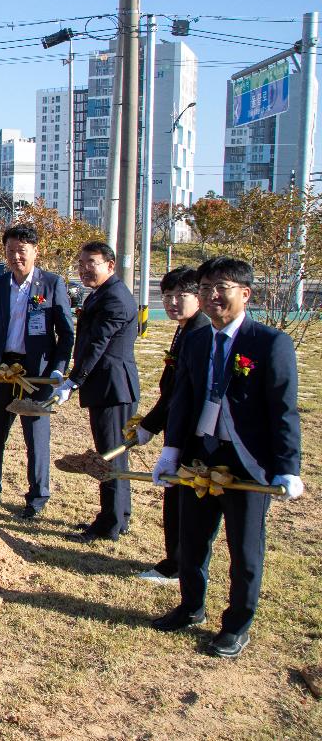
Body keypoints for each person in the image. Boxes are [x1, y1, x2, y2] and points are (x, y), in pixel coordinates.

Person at [150, 256, 303, 659]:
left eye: (222, 287)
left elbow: (283, 411)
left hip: (246, 463)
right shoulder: (197, 340)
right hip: (200, 456)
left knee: (244, 550)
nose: (211, 295)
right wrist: (171, 452)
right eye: (205, 288)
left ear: (245, 294)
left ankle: (236, 625)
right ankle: (190, 606)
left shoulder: (270, 343)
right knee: (192, 540)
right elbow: (182, 399)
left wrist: (288, 468)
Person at [0, 224, 74, 519]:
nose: (16, 256)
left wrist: (58, 368)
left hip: (37, 373)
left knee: (35, 437)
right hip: (5, 368)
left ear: (35, 252)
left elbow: (66, 334)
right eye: (10, 251)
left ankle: (37, 498)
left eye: (22, 251)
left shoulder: (51, 284)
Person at [53, 241, 140, 541]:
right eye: (81, 263)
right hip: (107, 386)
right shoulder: (103, 294)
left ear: (110, 265)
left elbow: (97, 346)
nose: (84, 268)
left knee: (109, 457)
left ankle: (109, 525)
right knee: (113, 454)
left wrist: (74, 381)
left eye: (92, 262)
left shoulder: (114, 298)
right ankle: (118, 516)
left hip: (112, 388)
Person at [132, 266, 210, 583]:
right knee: (176, 498)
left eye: (181, 295)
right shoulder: (185, 328)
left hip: (194, 432)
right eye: (166, 295)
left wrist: (150, 425)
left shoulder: (200, 332)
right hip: (178, 426)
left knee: (185, 501)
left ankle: (178, 565)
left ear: (199, 297)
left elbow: (181, 394)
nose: (172, 302)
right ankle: (175, 560)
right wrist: (151, 425)